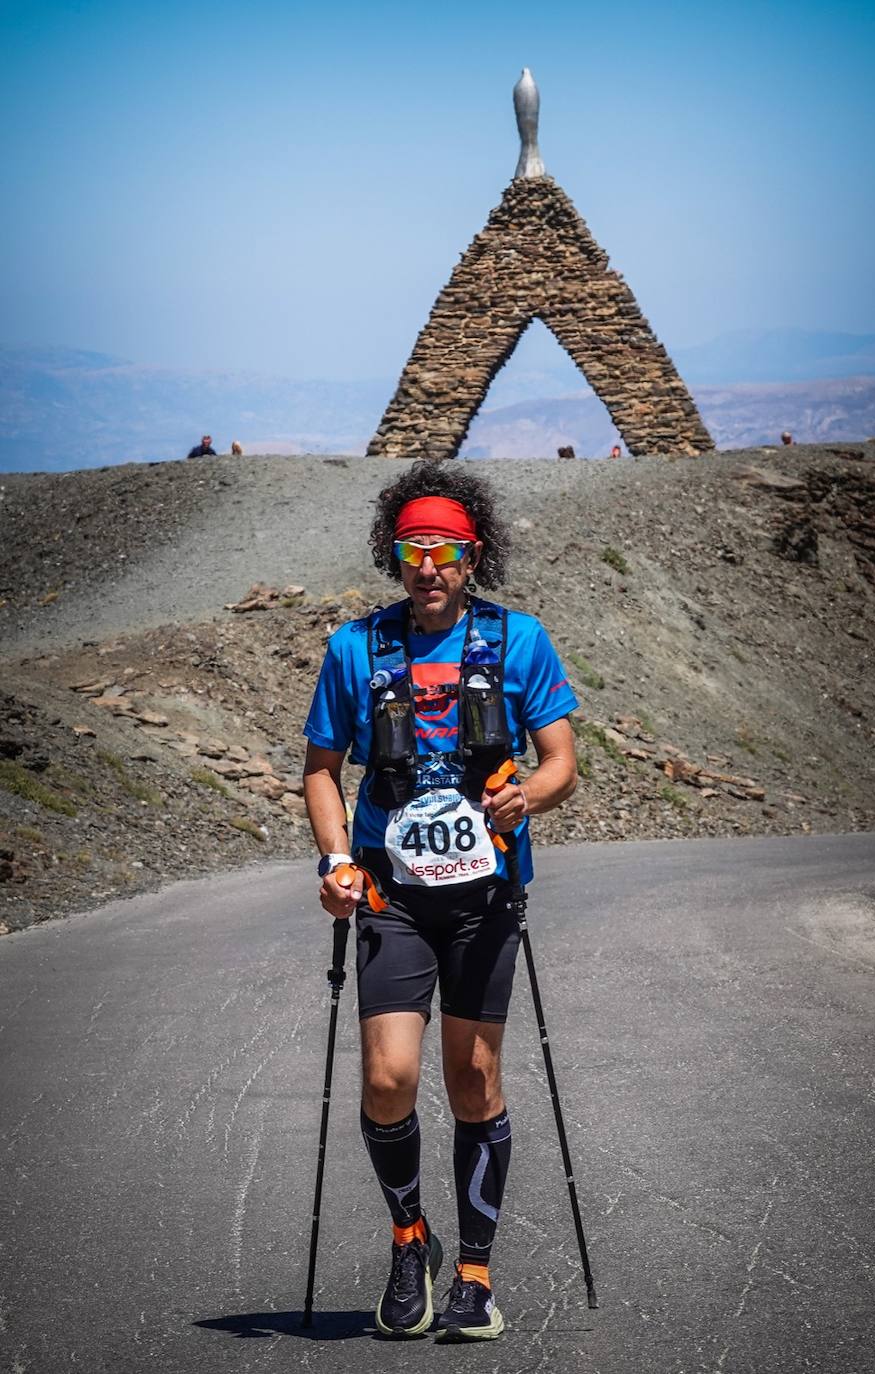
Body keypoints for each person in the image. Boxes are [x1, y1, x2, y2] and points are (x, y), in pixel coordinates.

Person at [302, 462, 578, 1342]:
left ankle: (473, 1274)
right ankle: (408, 1241)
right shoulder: (356, 646)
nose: (428, 567)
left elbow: (560, 762)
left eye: (446, 552)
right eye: (412, 550)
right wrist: (338, 859)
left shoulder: (519, 639)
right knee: (387, 1078)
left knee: (472, 1080)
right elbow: (319, 770)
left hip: (484, 895)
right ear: (394, 555)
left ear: (473, 556)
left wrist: (527, 796)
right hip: (389, 892)